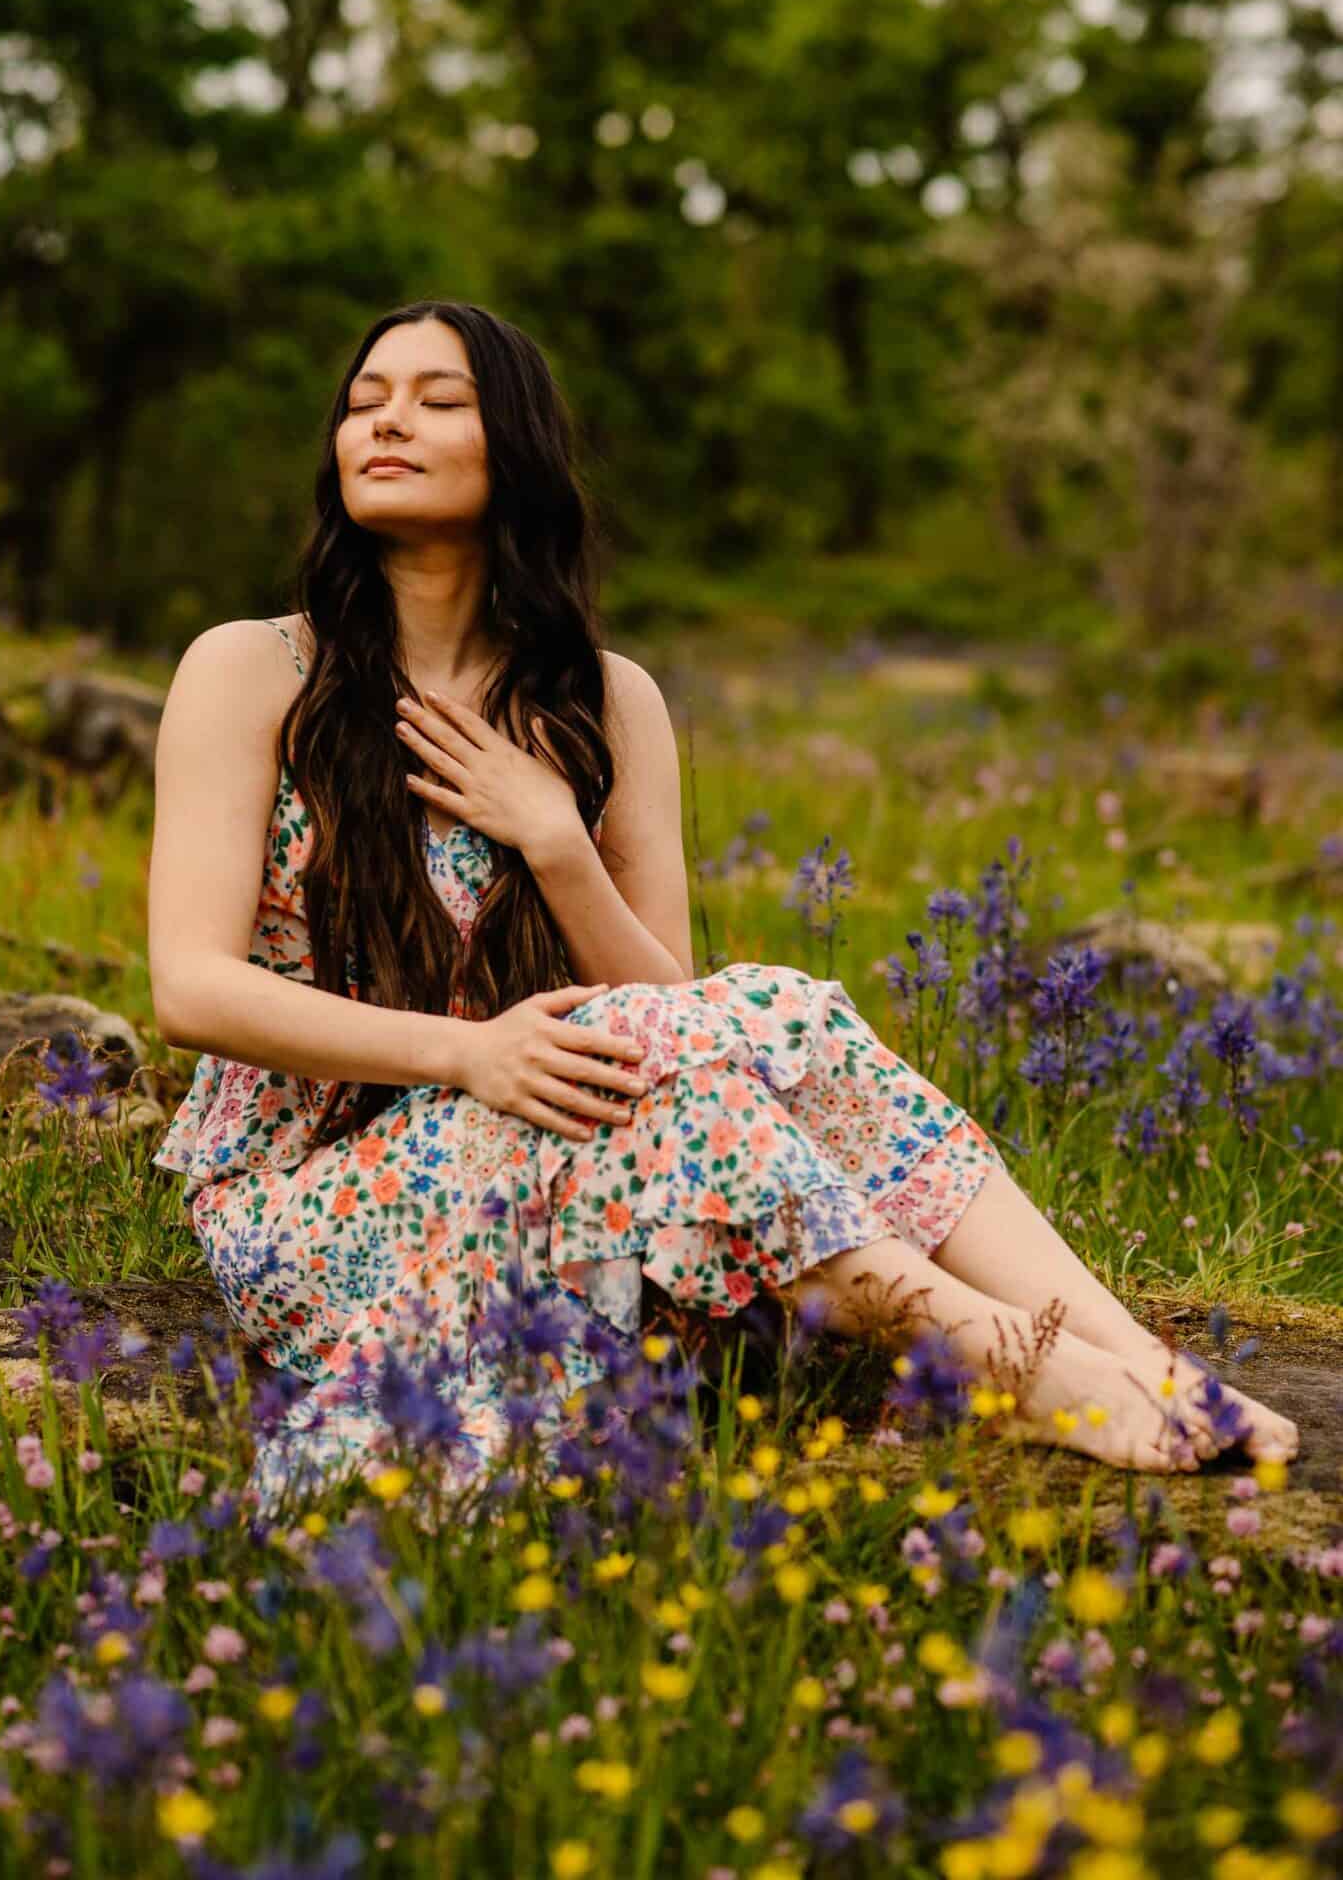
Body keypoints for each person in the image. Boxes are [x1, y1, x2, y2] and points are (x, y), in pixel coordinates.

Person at [147, 298, 1298, 1518]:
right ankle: (1011, 1358)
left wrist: (553, 839)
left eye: (438, 399)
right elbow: (191, 988)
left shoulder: (605, 697)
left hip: (569, 1149)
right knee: (717, 1034)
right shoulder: (255, 669)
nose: (386, 421)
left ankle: (1141, 1357)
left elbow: (681, 1015)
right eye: (365, 400)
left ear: (518, 447)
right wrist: (471, 1052)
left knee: (777, 1012)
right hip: (312, 1203)